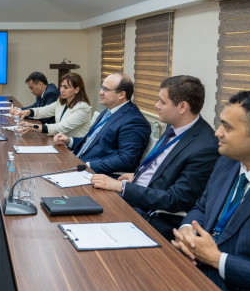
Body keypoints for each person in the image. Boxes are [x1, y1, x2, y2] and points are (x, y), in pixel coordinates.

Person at [172, 90, 250, 291]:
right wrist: (188, 229)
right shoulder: (227, 161)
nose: (217, 133)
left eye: (227, 127)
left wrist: (218, 260)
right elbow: (201, 207)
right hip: (188, 269)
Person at [90, 76, 219, 239]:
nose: (156, 105)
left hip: (149, 213)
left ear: (182, 107)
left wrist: (122, 187)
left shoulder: (205, 147)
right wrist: (137, 175)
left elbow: (174, 200)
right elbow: (160, 167)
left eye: (162, 102)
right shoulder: (173, 125)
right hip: (136, 194)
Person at [55, 73, 150, 175]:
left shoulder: (134, 121)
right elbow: (93, 142)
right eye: (101, 88)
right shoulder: (109, 111)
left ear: (121, 95)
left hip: (97, 174)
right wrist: (69, 141)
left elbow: (126, 160)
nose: (100, 92)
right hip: (78, 162)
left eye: (106, 89)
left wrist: (88, 165)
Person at [13, 73, 91, 138]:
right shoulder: (61, 102)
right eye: (61, 86)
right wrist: (27, 112)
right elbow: (43, 110)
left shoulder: (83, 108)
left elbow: (61, 127)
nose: (61, 90)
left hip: (72, 148)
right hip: (59, 142)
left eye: (65, 87)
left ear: (76, 89)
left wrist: (34, 127)